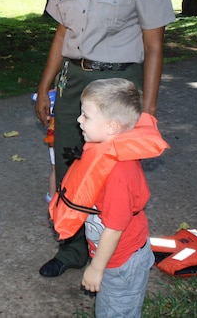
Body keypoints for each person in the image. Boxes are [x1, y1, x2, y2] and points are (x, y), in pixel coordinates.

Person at [34, 0, 175, 278]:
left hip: (117, 83)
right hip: (74, 79)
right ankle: (73, 248)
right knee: (67, 164)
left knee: (114, 174)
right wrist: (46, 86)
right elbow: (62, 33)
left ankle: (116, 253)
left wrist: (148, 109)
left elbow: (154, 45)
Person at [76, 78, 159, 317]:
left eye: (86, 116)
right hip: (116, 256)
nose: (79, 120)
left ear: (112, 127)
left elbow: (114, 228)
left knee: (115, 313)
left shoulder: (118, 174)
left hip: (122, 262)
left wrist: (96, 267)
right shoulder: (106, 154)